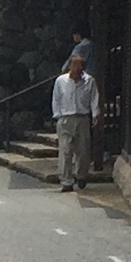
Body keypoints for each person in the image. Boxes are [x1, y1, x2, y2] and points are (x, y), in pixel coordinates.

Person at [50, 43, 99, 192]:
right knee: (65, 151)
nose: (76, 71)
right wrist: (57, 115)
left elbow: (94, 98)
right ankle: (66, 181)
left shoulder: (89, 81)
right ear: (70, 66)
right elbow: (56, 99)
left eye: (79, 68)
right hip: (65, 118)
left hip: (83, 118)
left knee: (83, 151)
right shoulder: (61, 81)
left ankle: (81, 175)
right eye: (74, 67)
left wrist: (95, 113)